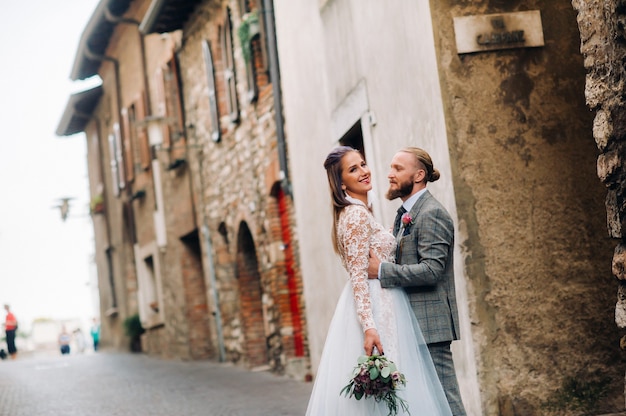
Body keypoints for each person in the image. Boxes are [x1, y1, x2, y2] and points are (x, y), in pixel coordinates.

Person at [306, 146, 452, 415]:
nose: (364, 171)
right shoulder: (356, 215)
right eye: (353, 169)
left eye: (362, 164)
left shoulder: (359, 211)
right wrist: (370, 327)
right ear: (340, 183)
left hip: (386, 304)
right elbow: (359, 278)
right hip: (377, 308)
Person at [368, 147, 466, 415]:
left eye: (398, 168)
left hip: (430, 324)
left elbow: (432, 270)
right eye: (390, 168)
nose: (390, 174)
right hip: (411, 323)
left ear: (419, 174)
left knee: (445, 398)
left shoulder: (432, 212)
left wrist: (383, 271)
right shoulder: (404, 214)